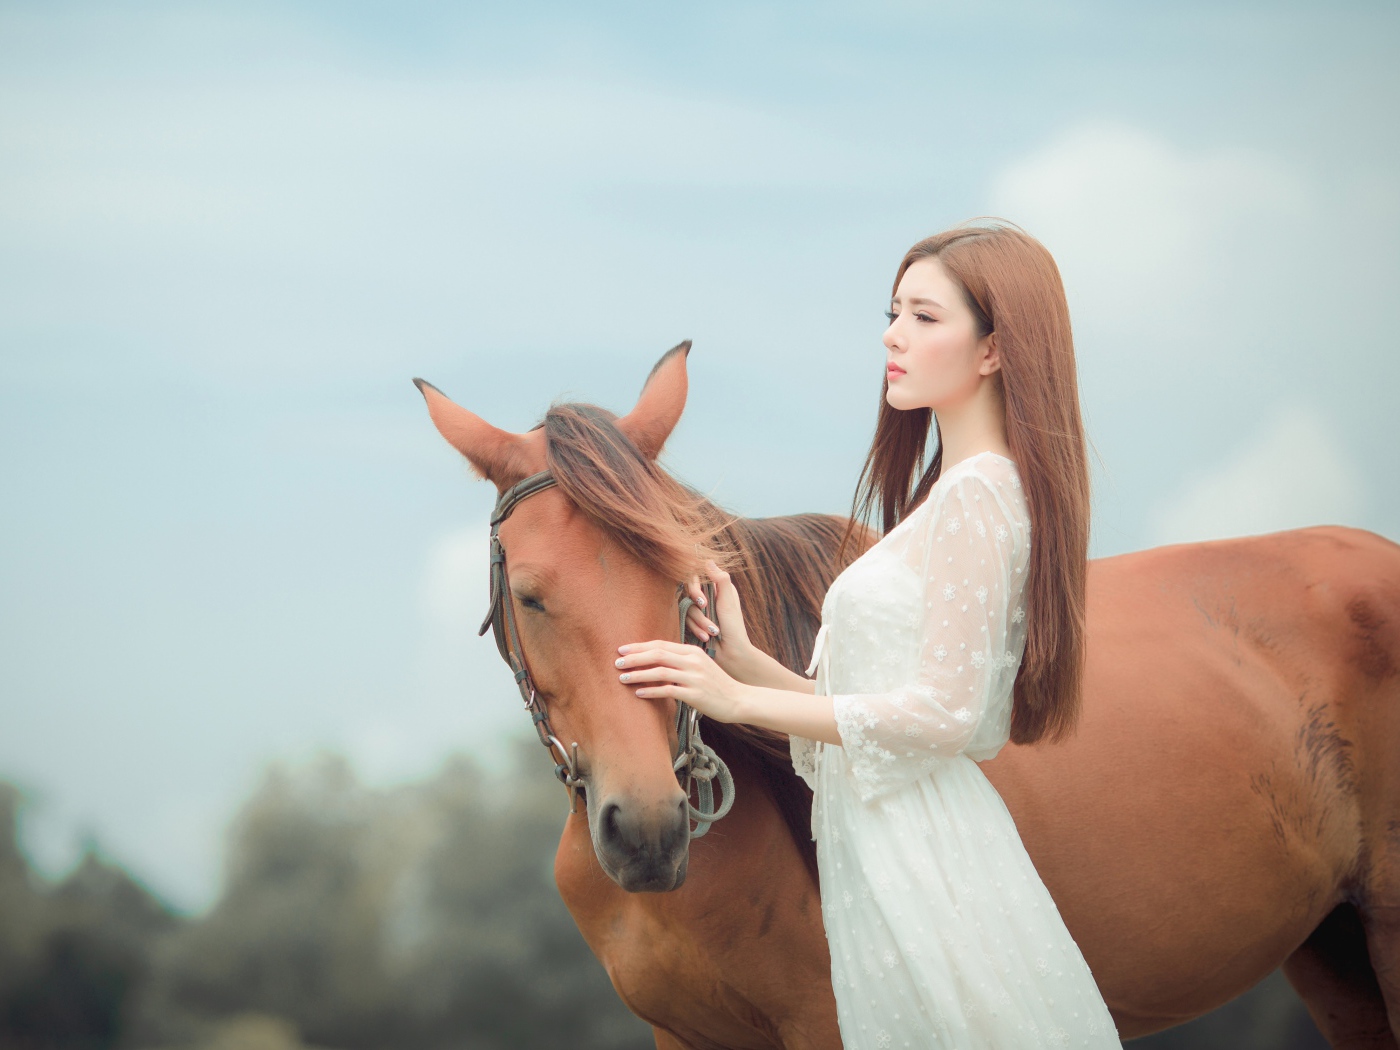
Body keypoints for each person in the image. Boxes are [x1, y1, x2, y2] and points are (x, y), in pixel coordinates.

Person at [614, 223, 1120, 1048]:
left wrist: (732, 697)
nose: (893, 335)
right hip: (881, 845)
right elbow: (872, 715)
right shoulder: (951, 498)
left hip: (924, 854)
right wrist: (745, 662)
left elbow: (944, 718)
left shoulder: (978, 500)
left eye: (925, 316)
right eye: (894, 313)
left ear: (994, 351)